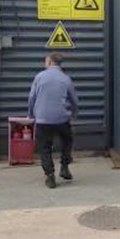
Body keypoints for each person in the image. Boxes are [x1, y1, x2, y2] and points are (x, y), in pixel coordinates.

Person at [27, 53, 78, 189]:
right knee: (67, 141)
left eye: (45, 61)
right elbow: (74, 99)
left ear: (49, 62)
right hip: (62, 118)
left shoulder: (39, 77)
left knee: (45, 147)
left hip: (42, 119)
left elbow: (31, 98)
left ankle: (50, 176)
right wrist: (74, 113)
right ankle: (65, 167)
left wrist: (31, 115)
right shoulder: (65, 78)